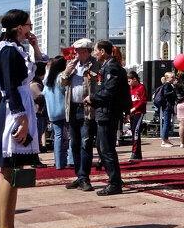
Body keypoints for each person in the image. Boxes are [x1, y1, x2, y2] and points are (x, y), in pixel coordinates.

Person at [0, 9, 44, 228]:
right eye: (28, 25)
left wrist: (36, 47)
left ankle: (7, 227)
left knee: (11, 170)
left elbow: (37, 76)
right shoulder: (8, 52)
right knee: (9, 170)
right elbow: (10, 86)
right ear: (19, 27)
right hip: (14, 110)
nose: (30, 28)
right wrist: (22, 118)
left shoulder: (14, 50)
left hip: (18, 108)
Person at [87, 40, 128, 195]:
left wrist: (93, 98)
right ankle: (115, 178)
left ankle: (114, 182)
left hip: (108, 112)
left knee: (106, 148)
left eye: (96, 50)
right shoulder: (107, 67)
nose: (94, 53)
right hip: (104, 111)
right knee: (102, 146)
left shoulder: (112, 67)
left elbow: (110, 91)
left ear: (103, 51)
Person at [61, 38, 95, 190]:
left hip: (87, 109)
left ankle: (84, 177)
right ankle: (79, 175)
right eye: (75, 51)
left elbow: (96, 82)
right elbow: (61, 82)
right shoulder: (73, 65)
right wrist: (67, 71)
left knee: (86, 143)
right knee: (74, 143)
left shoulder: (94, 64)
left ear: (86, 51)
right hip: (72, 108)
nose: (75, 54)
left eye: (79, 51)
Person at [42, 56, 69, 170]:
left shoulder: (47, 80)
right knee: (70, 136)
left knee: (57, 136)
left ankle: (58, 163)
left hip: (52, 112)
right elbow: (66, 92)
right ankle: (71, 160)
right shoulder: (60, 79)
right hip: (64, 110)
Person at [127, 71, 146, 162]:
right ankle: (137, 152)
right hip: (132, 113)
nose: (129, 83)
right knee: (133, 131)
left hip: (139, 112)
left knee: (136, 131)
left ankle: (135, 152)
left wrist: (134, 109)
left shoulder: (141, 88)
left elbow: (142, 101)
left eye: (129, 81)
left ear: (134, 79)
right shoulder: (130, 89)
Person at [156, 70, 178, 147]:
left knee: (168, 122)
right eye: (172, 77)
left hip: (168, 105)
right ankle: (164, 140)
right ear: (167, 78)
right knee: (166, 122)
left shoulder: (169, 85)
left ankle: (166, 139)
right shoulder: (167, 85)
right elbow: (165, 94)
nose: (174, 79)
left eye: (174, 77)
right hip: (167, 106)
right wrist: (173, 91)